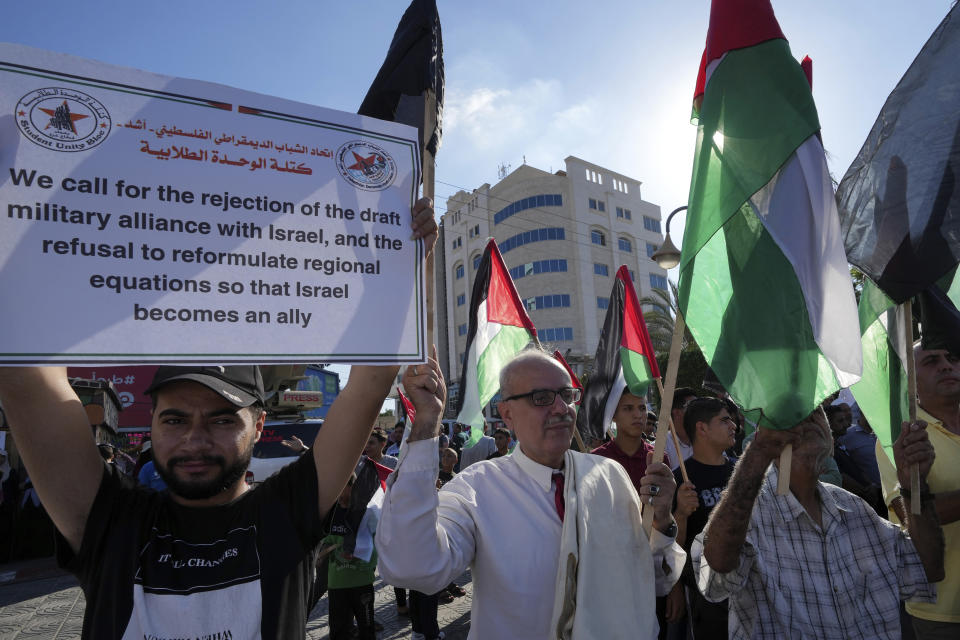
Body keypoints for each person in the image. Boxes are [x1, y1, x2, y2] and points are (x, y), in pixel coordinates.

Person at [0, 199, 437, 639]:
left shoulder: (286, 510)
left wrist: (403, 253)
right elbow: (24, 379)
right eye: (174, 420)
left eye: (222, 420)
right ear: (150, 423)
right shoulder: (109, 520)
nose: (195, 439)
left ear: (260, 426)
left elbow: (372, 377)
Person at [378, 349, 685, 639]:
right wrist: (427, 422)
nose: (562, 408)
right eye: (541, 398)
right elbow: (413, 566)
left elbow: (652, 580)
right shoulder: (476, 490)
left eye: (567, 395)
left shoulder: (609, 475)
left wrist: (662, 520)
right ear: (507, 414)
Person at [693, 407, 944, 639]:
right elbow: (716, 576)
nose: (809, 417)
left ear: (831, 438)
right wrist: (757, 455)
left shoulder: (855, 509)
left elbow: (927, 568)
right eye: (796, 412)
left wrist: (915, 484)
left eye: (817, 411)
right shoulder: (749, 516)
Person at [876, 346, 960, 637]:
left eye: (953, 358)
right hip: (944, 610)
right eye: (932, 361)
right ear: (910, 381)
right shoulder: (900, 438)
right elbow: (908, 513)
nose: (947, 366)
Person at [671, 397, 738, 640]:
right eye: (724, 420)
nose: (734, 426)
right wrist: (680, 513)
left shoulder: (742, 471)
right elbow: (669, 544)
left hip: (747, 580)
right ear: (702, 428)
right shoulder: (680, 480)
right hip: (705, 593)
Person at [323, 473, 377, 640]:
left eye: (341, 489)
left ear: (352, 488)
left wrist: (358, 554)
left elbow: (378, 546)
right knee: (339, 633)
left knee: (366, 631)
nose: (337, 494)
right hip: (336, 585)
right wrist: (323, 552)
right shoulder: (330, 513)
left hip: (362, 584)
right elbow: (323, 543)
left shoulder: (368, 513)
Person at [592, 390, 655, 488]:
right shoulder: (595, 459)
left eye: (642, 408)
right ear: (613, 415)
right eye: (628, 408)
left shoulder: (658, 457)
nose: (638, 415)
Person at [662, 387, 698, 470]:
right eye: (693, 406)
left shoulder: (708, 439)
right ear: (677, 412)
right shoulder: (660, 448)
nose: (699, 411)